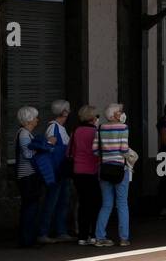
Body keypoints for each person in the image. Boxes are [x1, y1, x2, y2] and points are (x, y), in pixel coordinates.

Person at [93, 103, 132, 248]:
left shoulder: (100, 128)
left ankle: (99, 236)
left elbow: (95, 151)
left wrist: (107, 155)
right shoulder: (123, 127)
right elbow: (124, 149)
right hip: (120, 169)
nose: (122, 113)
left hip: (104, 169)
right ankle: (123, 238)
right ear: (114, 114)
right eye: (120, 111)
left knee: (106, 204)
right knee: (122, 203)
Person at [14, 106, 53, 249]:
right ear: (29, 119)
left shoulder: (25, 133)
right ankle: (27, 239)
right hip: (27, 176)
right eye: (35, 117)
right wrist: (45, 146)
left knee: (30, 207)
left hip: (28, 175)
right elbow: (28, 154)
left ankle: (28, 238)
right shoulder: (24, 134)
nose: (37, 120)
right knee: (30, 207)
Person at [36, 100, 74, 243]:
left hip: (61, 170)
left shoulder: (60, 128)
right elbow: (50, 148)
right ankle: (44, 231)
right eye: (68, 110)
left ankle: (60, 230)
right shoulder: (53, 128)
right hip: (57, 170)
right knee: (52, 201)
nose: (69, 113)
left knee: (62, 200)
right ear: (63, 112)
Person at [70, 105, 101, 245]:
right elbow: (98, 151)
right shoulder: (95, 132)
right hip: (92, 170)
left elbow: (69, 151)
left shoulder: (75, 131)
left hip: (77, 170)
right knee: (95, 203)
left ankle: (82, 236)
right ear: (92, 117)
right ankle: (93, 234)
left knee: (83, 203)